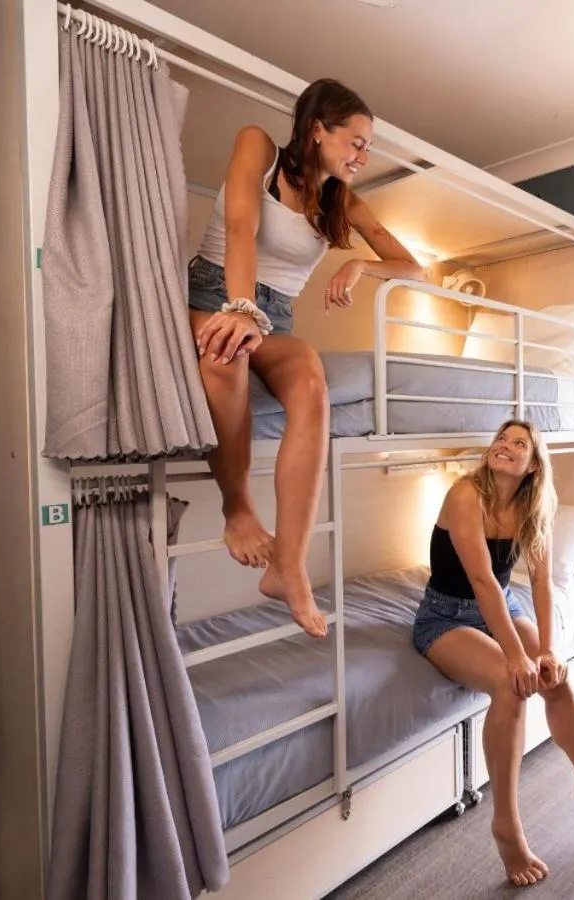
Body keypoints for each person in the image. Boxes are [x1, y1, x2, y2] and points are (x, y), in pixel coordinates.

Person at [189, 79, 426, 638]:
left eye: (368, 148)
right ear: (317, 129)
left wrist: (361, 266)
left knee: (312, 385)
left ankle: (288, 566)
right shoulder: (259, 149)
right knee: (225, 359)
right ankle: (238, 509)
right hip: (218, 292)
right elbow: (242, 230)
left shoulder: (343, 199)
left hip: (277, 316)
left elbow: (412, 266)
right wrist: (241, 309)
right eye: (357, 142)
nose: (363, 156)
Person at [413, 420, 574, 887]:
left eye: (518, 443)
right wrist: (515, 655)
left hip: (503, 604)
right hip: (446, 616)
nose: (504, 446)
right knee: (511, 682)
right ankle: (506, 824)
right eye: (501, 439)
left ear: (532, 463)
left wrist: (546, 650)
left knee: (554, 678)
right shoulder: (465, 494)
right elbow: (482, 581)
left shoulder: (534, 505)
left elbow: (541, 582)